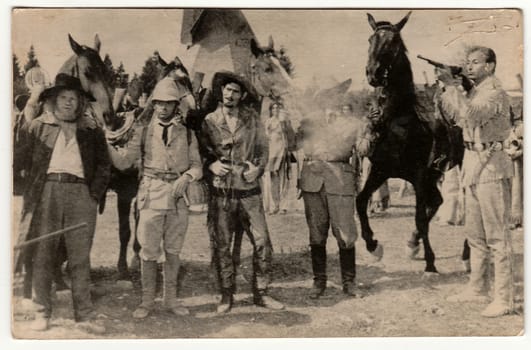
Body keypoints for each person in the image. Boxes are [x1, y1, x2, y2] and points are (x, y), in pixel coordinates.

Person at [17, 73, 111, 332]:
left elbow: (104, 166)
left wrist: (93, 196)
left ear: (80, 102)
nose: (69, 103)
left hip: (81, 194)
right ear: (54, 100)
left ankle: (85, 315)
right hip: (47, 192)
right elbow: (19, 161)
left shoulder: (91, 131)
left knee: (80, 257)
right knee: (43, 253)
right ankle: (41, 312)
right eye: (63, 98)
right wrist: (30, 193)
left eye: (74, 98)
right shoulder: (38, 126)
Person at [107, 77, 202, 318]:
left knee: (173, 250)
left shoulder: (187, 133)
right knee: (148, 252)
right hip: (150, 195)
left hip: (178, 198)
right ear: (154, 104)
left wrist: (187, 177)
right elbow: (123, 161)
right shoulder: (143, 131)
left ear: (175, 106)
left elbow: (197, 166)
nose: (163, 108)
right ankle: (147, 302)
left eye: (169, 103)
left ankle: (170, 300)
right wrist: (105, 141)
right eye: (159, 103)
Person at [198, 71, 284, 313]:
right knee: (222, 244)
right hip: (222, 193)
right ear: (221, 93)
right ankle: (226, 294)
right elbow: (200, 154)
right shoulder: (210, 121)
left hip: (249, 193)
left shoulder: (253, 119)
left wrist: (257, 169)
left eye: (235, 91)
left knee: (262, 242)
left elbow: (263, 149)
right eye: (227, 90)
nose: (230, 95)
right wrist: (210, 165)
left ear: (242, 95)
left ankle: (262, 292)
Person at [439, 46, 515, 317]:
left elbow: (471, 115)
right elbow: (455, 119)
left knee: (496, 236)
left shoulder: (494, 91)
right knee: (475, 234)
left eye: (476, 62)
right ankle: (477, 288)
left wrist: (454, 89)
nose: (469, 67)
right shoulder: (474, 91)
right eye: (467, 62)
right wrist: (448, 89)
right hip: (472, 161)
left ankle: (504, 298)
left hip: (492, 164)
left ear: (490, 66)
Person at [296, 101, 365, 299]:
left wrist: (369, 132)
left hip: (340, 181)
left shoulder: (352, 123)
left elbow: (363, 149)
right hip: (312, 181)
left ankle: (349, 281)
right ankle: (319, 281)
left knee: (345, 234)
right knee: (316, 234)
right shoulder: (309, 122)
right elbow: (293, 145)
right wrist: (293, 128)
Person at [264, 101, 296, 214]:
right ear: (271, 110)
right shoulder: (268, 122)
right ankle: (274, 205)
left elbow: (291, 136)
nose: (276, 110)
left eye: (278, 108)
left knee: (283, 178)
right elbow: (265, 137)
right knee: (273, 178)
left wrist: (285, 123)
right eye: (273, 108)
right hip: (272, 152)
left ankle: (283, 206)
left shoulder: (285, 122)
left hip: (283, 151)